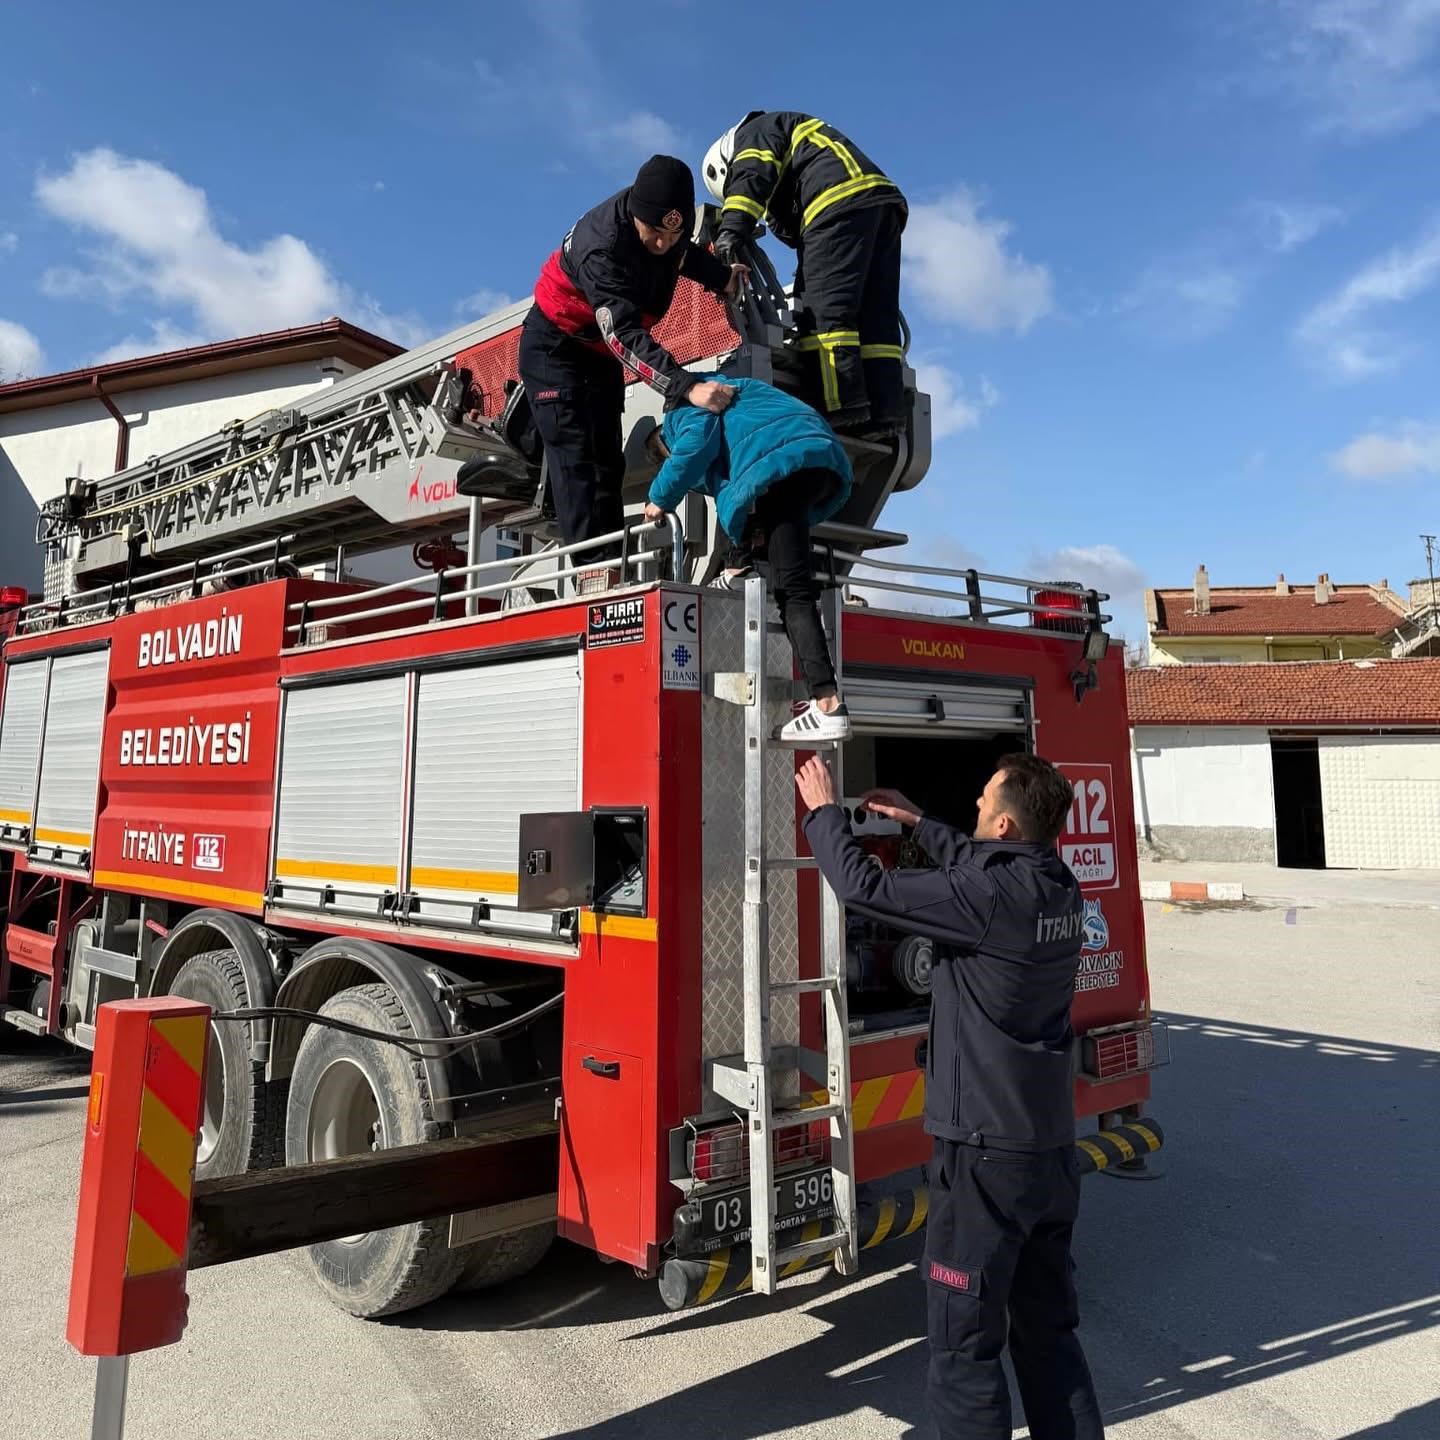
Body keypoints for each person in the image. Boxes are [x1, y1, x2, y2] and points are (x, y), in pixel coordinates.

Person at [794, 751, 1105, 1440]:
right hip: (1049, 1151)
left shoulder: (988, 897)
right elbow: (984, 862)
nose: (970, 804)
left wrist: (821, 813)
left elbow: (862, 887)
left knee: (964, 1343)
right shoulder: (1058, 884)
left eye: (980, 800)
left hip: (986, 1160)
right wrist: (919, 822)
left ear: (1002, 821)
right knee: (1048, 1335)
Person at [519, 154, 749, 569]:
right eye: (653, 233)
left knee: (609, 460)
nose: (662, 244)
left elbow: (687, 257)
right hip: (556, 349)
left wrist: (724, 277)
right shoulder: (601, 247)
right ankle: (596, 575)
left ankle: (613, 567)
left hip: (597, 354)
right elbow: (622, 336)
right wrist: (685, 386)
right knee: (580, 459)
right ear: (635, 217)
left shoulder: (668, 236)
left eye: (671, 235)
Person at [644, 375, 853, 743]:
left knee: (793, 593)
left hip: (780, 463)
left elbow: (695, 447)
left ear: (662, 445)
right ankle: (737, 570)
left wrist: (660, 498)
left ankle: (827, 704)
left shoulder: (680, 414)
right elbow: (733, 490)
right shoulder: (737, 397)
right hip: (816, 456)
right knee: (753, 515)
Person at [701, 112, 907, 439]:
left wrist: (731, 229)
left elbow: (752, 176)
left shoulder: (754, 133)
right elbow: (789, 225)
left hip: (835, 202)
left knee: (822, 312)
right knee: (874, 321)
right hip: (880, 206)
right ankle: (885, 414)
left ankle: (840, 408)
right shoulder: (795, 141)